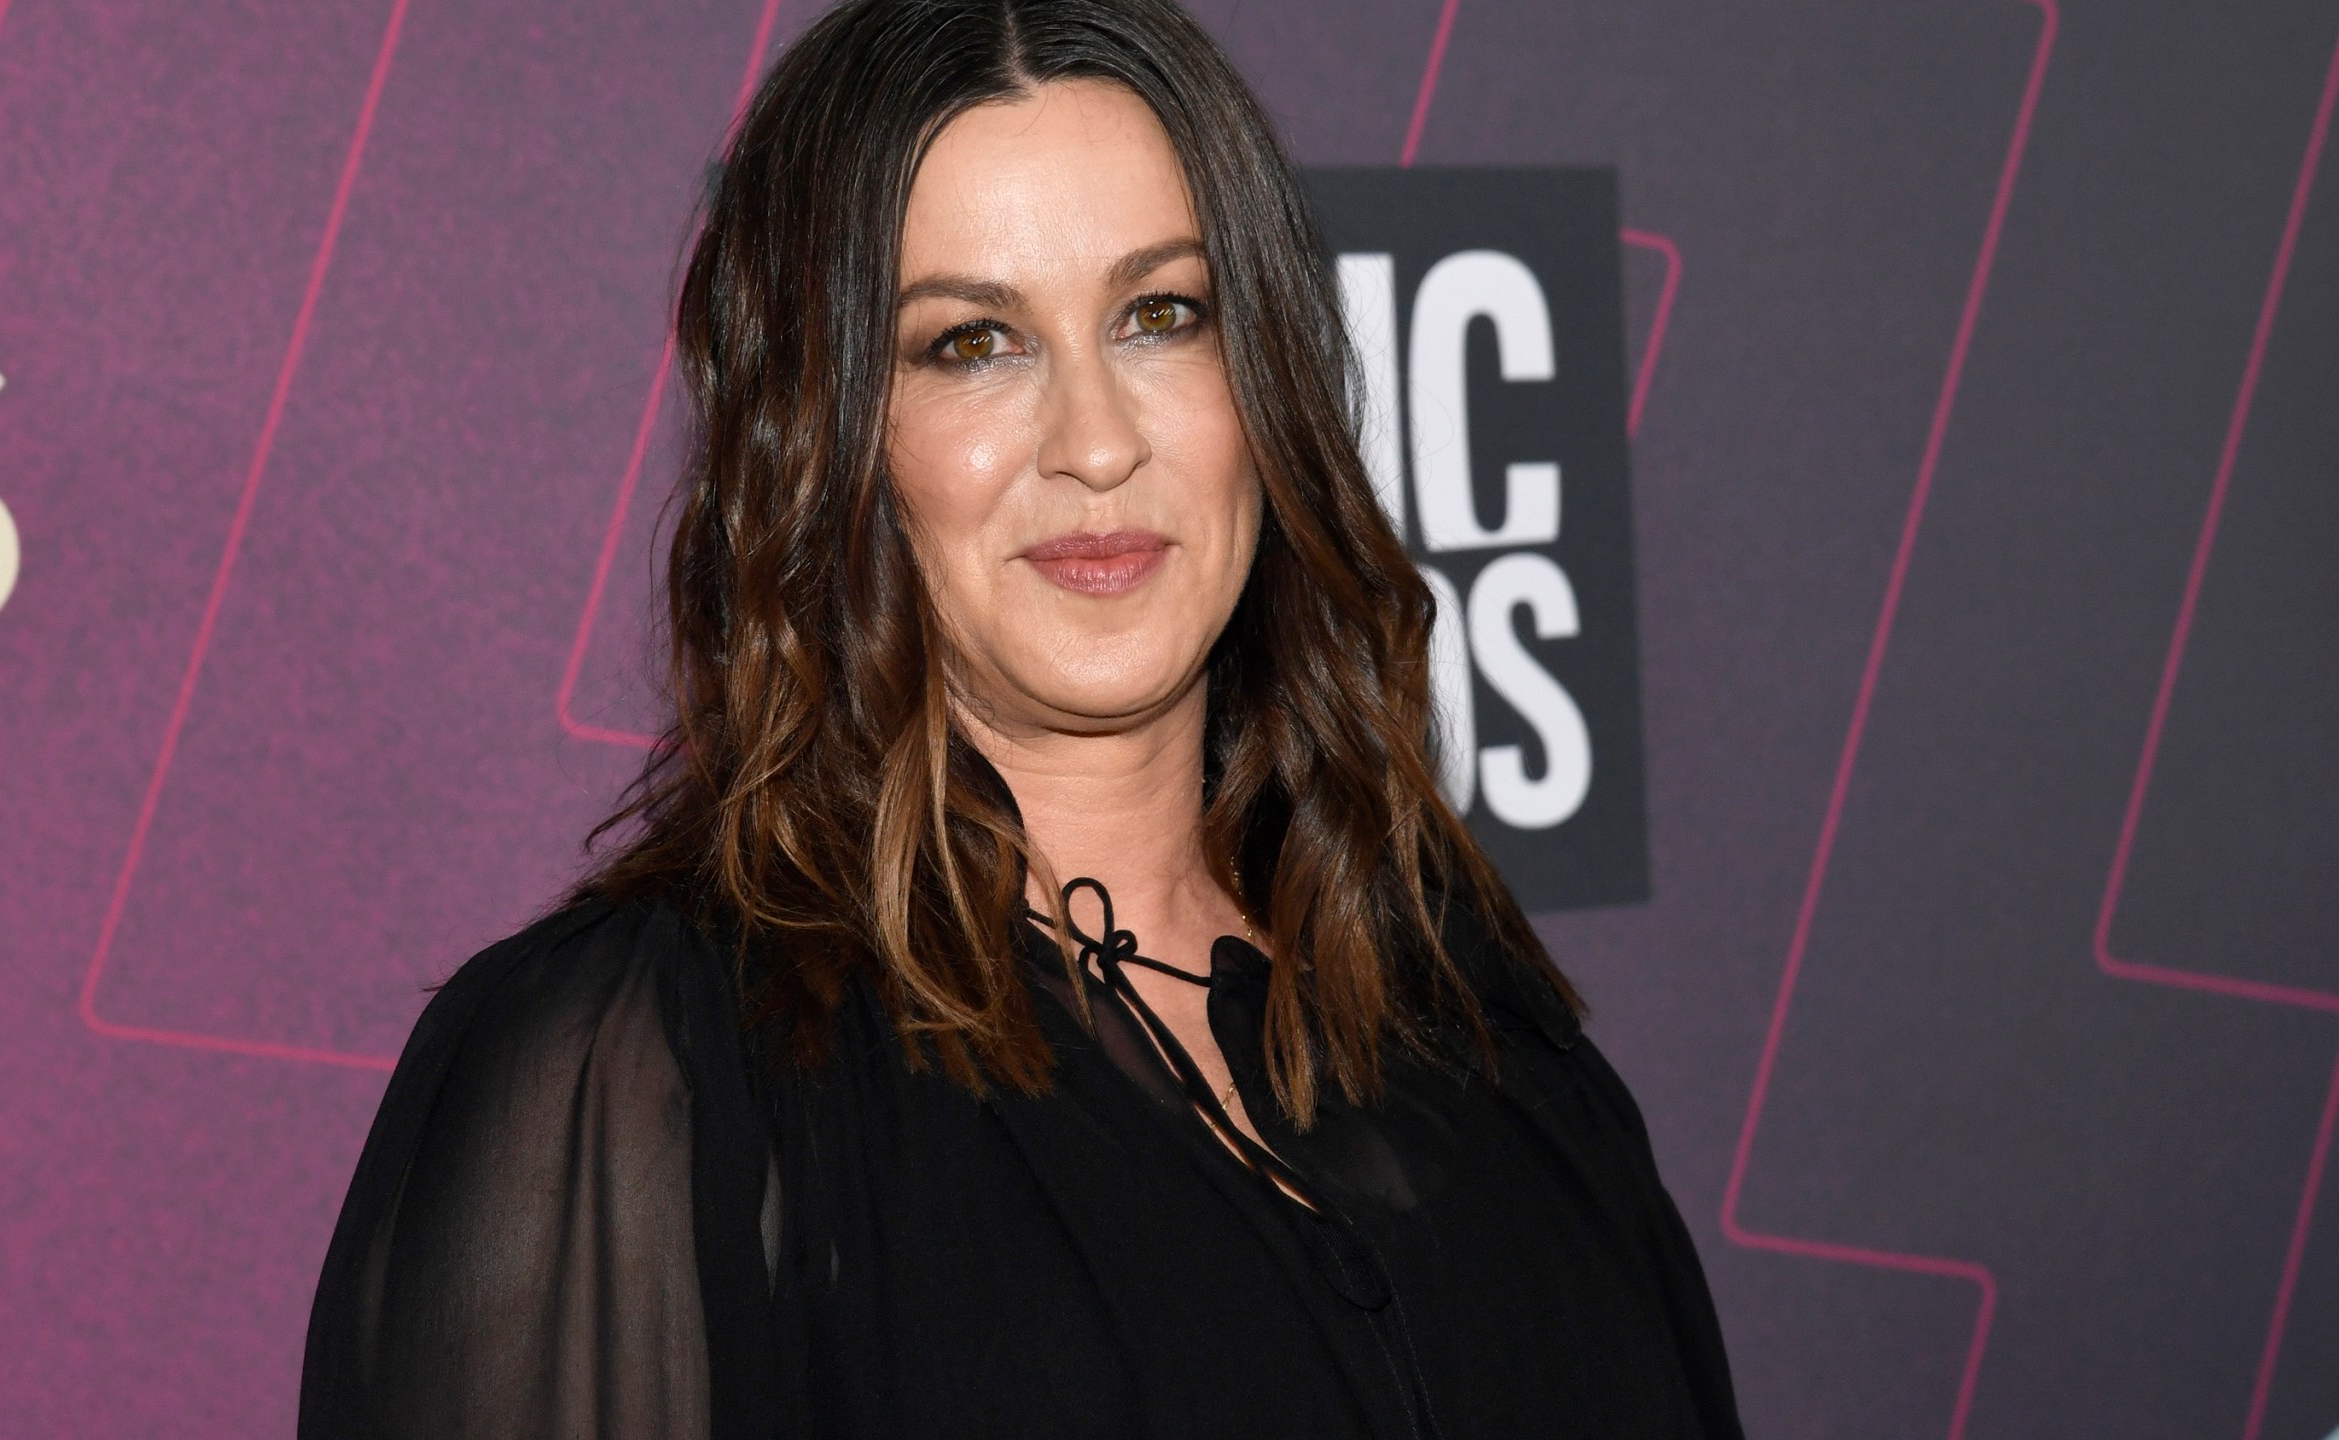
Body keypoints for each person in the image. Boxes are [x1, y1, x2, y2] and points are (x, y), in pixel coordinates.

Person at [299, 0, 1745, 1434]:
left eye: (1161, 316)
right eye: (972, 342)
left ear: (1273, 384)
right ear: (828, 430)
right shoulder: (636, 1075)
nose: (1099, 441)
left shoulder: (1465, 1010)